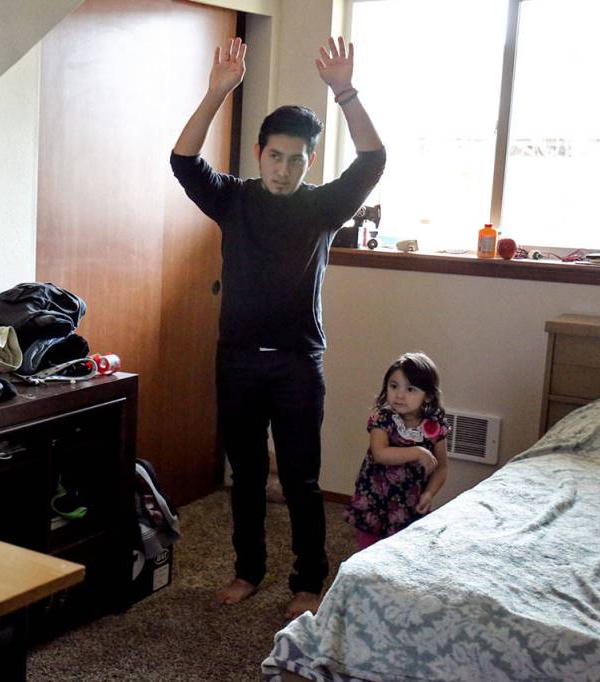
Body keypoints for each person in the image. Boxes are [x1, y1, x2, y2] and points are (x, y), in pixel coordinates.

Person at [170, 36, 385, 619]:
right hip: (237, 358)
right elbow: (183, 162)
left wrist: (344, 90)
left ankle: (308, 580)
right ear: (260, 153)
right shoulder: (234, 200)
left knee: (299, 479)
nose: (285, 168)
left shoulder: (321, 207)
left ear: (309, 161)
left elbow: (373, 160)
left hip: (296, 363)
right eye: (275, 156)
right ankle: (248, 571)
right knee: (244, 476)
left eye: (296, 159)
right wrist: (217, 93)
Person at [344, 352, 450, 549]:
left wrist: (429, 494)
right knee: (370, 550)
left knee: (405, 549)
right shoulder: (384, 418)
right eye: (394, 386)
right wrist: (416, 452)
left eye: (410, 389)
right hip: (375, 499)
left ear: (427, 395)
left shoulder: (434, 426)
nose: (400, 395)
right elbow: (380, 453)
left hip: (411, 502)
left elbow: (441, 467)